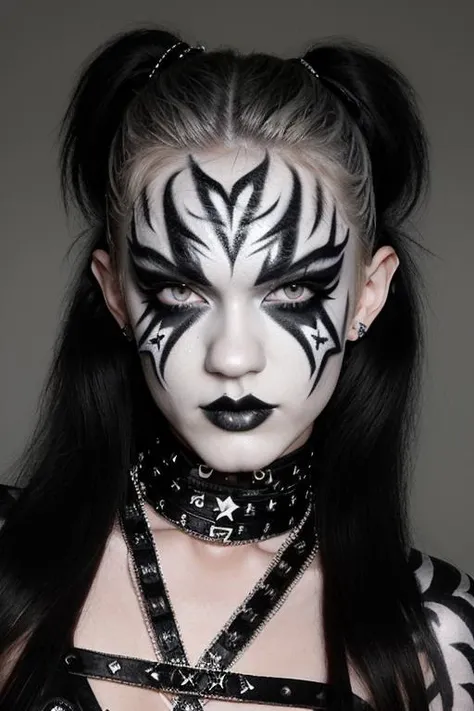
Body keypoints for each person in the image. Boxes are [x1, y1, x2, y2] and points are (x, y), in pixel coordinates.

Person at [0, 25, 473, 711]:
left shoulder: (438, 637)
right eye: (181, 290)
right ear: (115, 295)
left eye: (289, 292)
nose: (232, 356)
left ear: (367, 293)